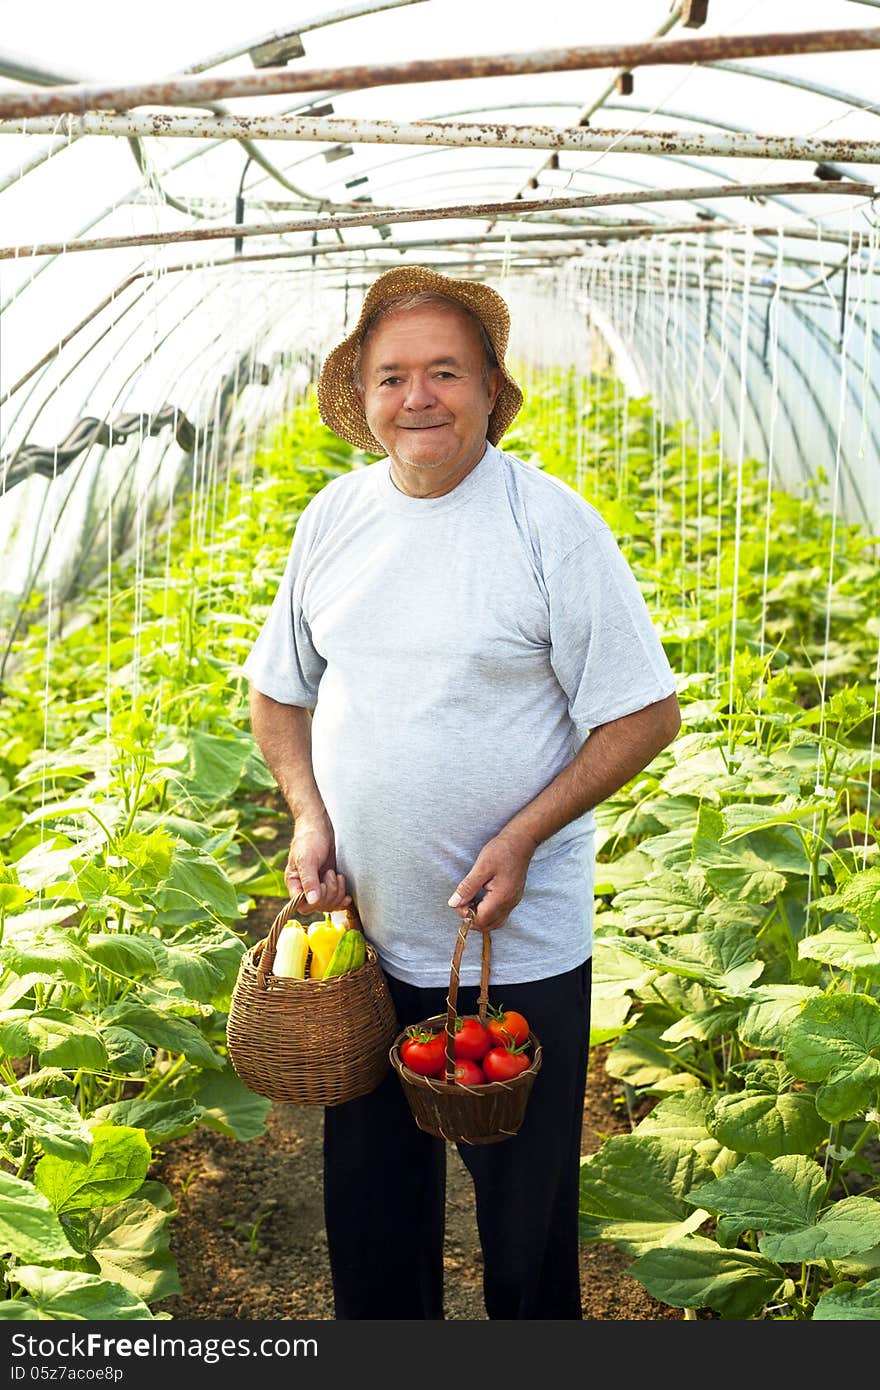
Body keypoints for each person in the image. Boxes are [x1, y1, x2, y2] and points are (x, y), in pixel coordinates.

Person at [241, 264, 681, 1320]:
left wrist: (525, 834)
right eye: (392, 376)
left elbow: (643, 713)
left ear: (491, 386)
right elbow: (277, 693)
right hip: (366, 946)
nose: (418, 397)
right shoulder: (334, 518)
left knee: (523, 1235)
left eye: (445, 371)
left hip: (509, 953)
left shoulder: (548, 526)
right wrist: (307, 812)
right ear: (365, 394)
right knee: (372, 1216)